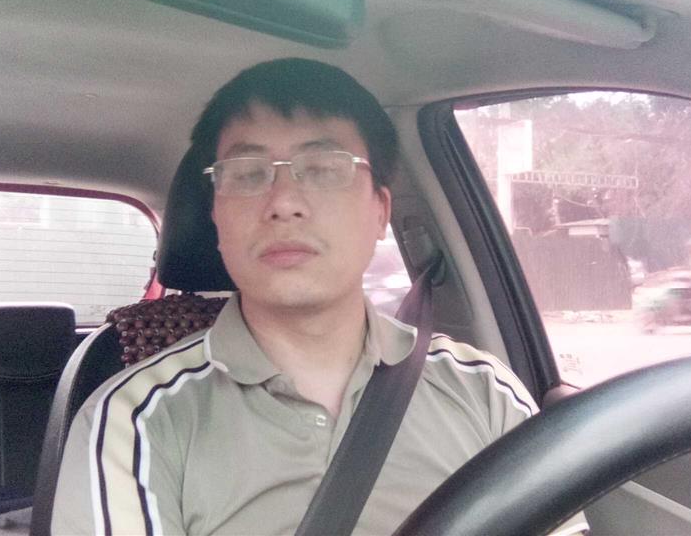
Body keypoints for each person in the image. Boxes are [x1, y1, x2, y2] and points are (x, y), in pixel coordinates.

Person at [52, 58, 588, 535]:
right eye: (247, 174)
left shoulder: (485, 391)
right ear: (216, 216)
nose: (284, 202)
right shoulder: (133, 422)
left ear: (380, 211)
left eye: (325, 170)